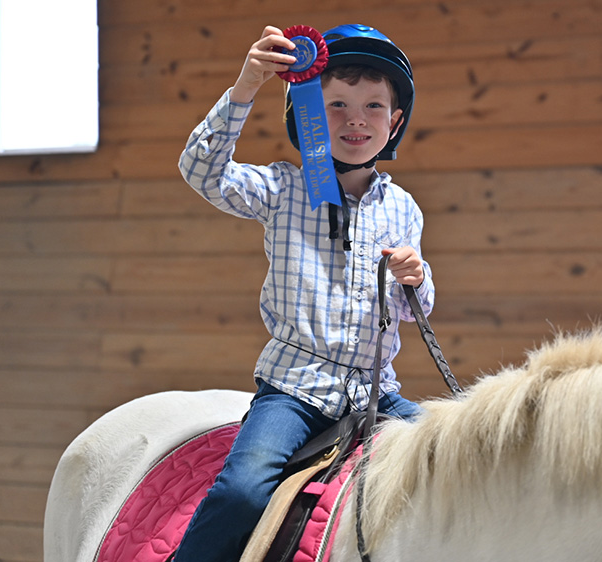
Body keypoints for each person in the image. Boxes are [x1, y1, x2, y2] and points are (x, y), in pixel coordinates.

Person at [171, 24, 431, 562]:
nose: (355, 119)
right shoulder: (283, 189)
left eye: (373, 106)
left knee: (454, 452)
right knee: (244, 489)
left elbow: (412, 311)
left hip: (375, 391)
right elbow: (202, 170)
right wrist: (247, 84)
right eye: (336, 105)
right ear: (309, 115)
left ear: (395, 120)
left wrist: (416, 276)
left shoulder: (403, 208)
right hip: (295, 390)